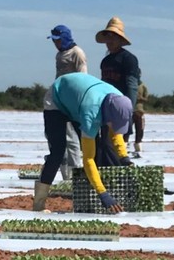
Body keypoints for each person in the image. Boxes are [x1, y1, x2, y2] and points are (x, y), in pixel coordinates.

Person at [35, 72, 134, 213]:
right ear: (107, 115)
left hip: (77, 101)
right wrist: (102, 193)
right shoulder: (91, 114)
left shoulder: (120, 100)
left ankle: (92, 198)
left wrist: (124, 157)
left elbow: (115, 133)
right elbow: (88, 159)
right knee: (58, 152)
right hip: (57, 99)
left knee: (99, 147)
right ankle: (39, 203)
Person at [96, 17, 140, 165]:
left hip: (121, 108)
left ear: (121, 39)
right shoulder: (105, 61)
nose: (110, 41)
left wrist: (128, 110)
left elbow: (132, 85)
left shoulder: (129, 59)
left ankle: (121, 177)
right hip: (106, 107)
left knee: (118, 145)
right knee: (105, 145)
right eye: (108, 37)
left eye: (113, 37)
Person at [47, 24, 87, 180]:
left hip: (72, 101)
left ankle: (75, 175)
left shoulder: (77, 53)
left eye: (57, 40)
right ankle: (66, 177)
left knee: (72, 140)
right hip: (59, 99)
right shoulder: (59, 55)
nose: (55, 43)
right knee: (59, 140)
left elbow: (82, 77)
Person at [132, 81, 148, 157]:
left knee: (139, 130)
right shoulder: (129, 85)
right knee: (126, 130)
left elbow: (146, 98)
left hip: (139, 111)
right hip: (130, 111)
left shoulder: (143, 86)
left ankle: (138, 148)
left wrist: (140, 98)